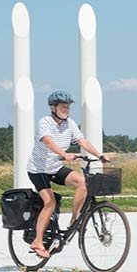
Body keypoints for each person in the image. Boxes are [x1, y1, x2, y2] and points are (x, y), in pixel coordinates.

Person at [25, 91, 106, 258]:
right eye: (63, 107)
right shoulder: (45, 122)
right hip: (38, 169)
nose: (66, 110)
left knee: (82, 182)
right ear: (53, 107)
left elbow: (82, 141)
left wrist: (99, 155)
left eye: (68, 107)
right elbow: (48, 141)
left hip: (54, 168)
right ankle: (38, 242)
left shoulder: (70, 124)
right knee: (50, 203)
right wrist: (64, 153)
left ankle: (74, 220)